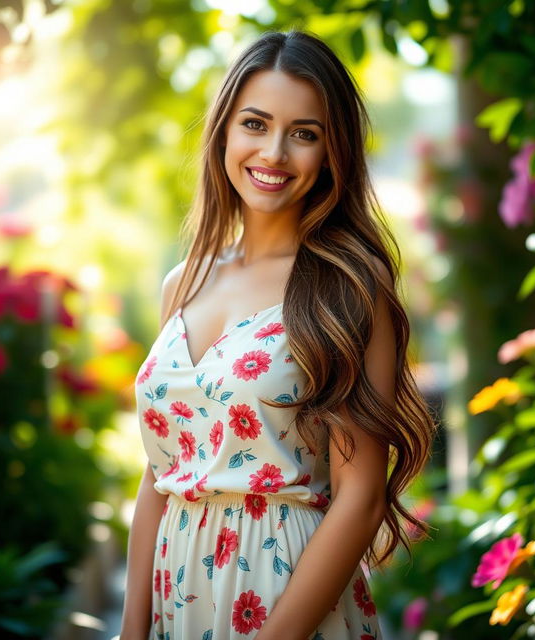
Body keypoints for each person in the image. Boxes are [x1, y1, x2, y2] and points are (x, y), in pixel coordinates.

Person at [120, 29, 437, 640]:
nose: (273, 154)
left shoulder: (345, 287)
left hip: (283, 595)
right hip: (175, 597)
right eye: (256, 124)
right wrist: (133, 629)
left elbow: (361, 496)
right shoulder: (182, 283)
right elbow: (161, 472)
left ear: (332, 151)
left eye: (304, 134)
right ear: (224, 132)